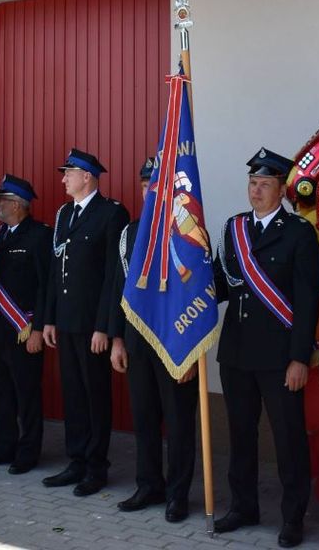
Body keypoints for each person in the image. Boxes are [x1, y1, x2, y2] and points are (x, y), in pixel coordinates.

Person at [212, 148, 319, 546]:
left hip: (279, 358)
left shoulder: (298, 233)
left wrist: (299, 356)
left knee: (288, 439)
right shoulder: (233, 228)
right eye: (252, 183)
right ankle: (243, 507)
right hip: (237, 352)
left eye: (264, 184)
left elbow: (309, 299)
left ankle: (293, 517)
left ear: (281, 190)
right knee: (240, 436)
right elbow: (222, 284)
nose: (255, 190)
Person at [109, 158, 198, 523]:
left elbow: (200, 294)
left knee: (178, 424)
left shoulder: (187, 232)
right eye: (146, 185)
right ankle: (149, 485)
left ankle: (178, 495)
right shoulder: (130, 233)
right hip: (137, 341)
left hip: (176, 341)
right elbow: (119, 287)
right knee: (144, 419)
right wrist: (117, 338)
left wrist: (192, 353)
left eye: (157, 186)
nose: (150, 191)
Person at [42, 148, 129, 497]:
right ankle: (76, 460)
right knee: (74, 394)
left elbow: (113, 276)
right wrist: (48, 319)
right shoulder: (64, 214)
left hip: (92, 324)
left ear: (87, 177)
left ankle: (96, 467)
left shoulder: (111, 213)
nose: (63, 179)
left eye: (68, 173)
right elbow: (54, 269)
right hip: (66, 321)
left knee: (95, 396)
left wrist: (105, 327)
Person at [0, 173, 50, 474]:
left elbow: (47, 286)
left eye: (2, 201)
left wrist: (39, 329)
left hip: (23, 332)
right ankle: (2, 446)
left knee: (26, 395)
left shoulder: (39, 236)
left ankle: (28, 452)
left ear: (18, 204)